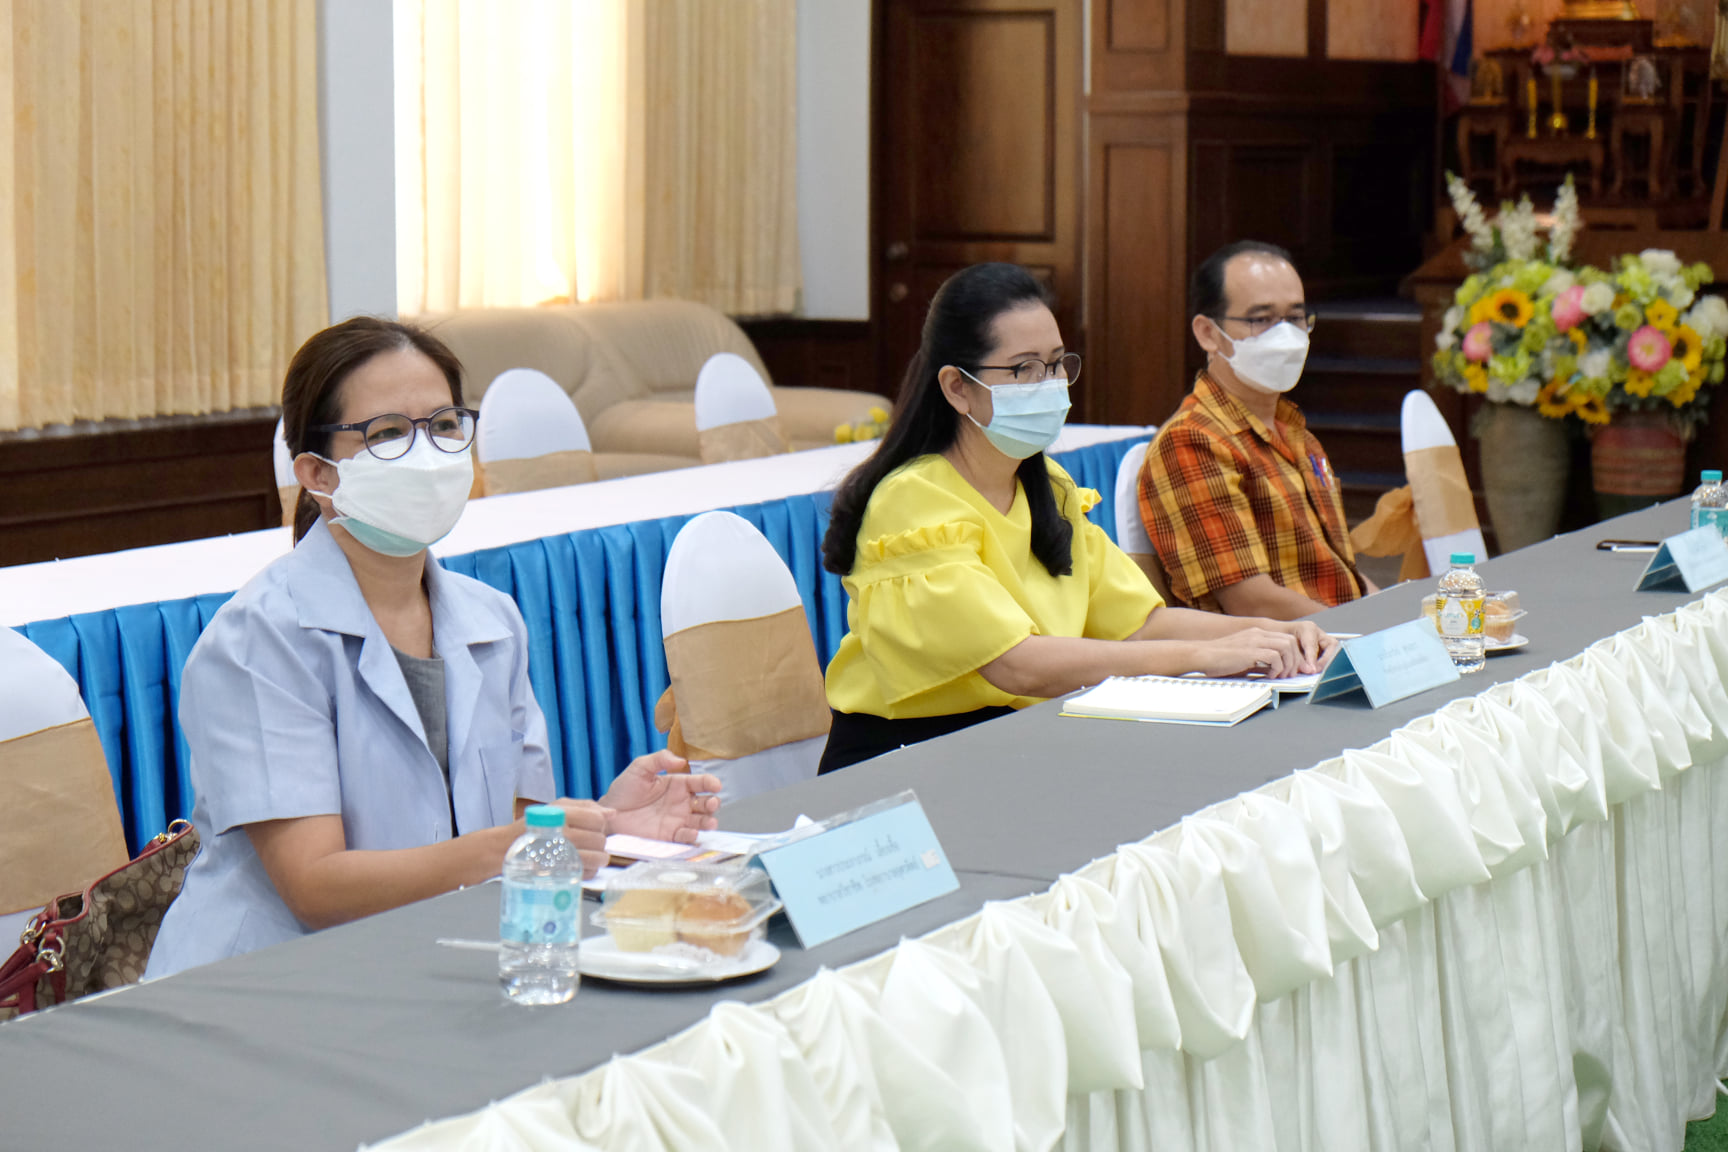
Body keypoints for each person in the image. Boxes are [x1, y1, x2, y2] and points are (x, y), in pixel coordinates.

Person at [146, 318, 720, 978]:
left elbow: (512, 820)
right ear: (316, 473)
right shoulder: (258, 641)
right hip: (265, 984)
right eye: (388, 434)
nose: (427, 454)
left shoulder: (492, 621)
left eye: (445, 425)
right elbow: (316, 885)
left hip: (423, 963)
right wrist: (512, 848)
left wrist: (602, 824)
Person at [816, 263, 1335, 774]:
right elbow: (1015, 664)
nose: (1049, 385)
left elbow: (1139, 624)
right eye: (1023, 369)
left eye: (1057, 363)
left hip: (1016, 740)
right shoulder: (914, 500)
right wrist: (1202, 655)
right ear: (957, 387)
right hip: (906, 761)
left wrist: (1275, 632)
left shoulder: (1049, 485)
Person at [1138, 240, 1377, 619]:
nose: (1284, 335)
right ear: (1208, 333)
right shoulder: (1194, 441)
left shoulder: (1297, 434)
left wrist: (1386, 613)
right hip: (1275, 662)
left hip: (1336, 639)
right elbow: (1250, 601)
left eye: (1296, 318)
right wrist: (1367, 629)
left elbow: (1335, 572)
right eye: (1260, 319)